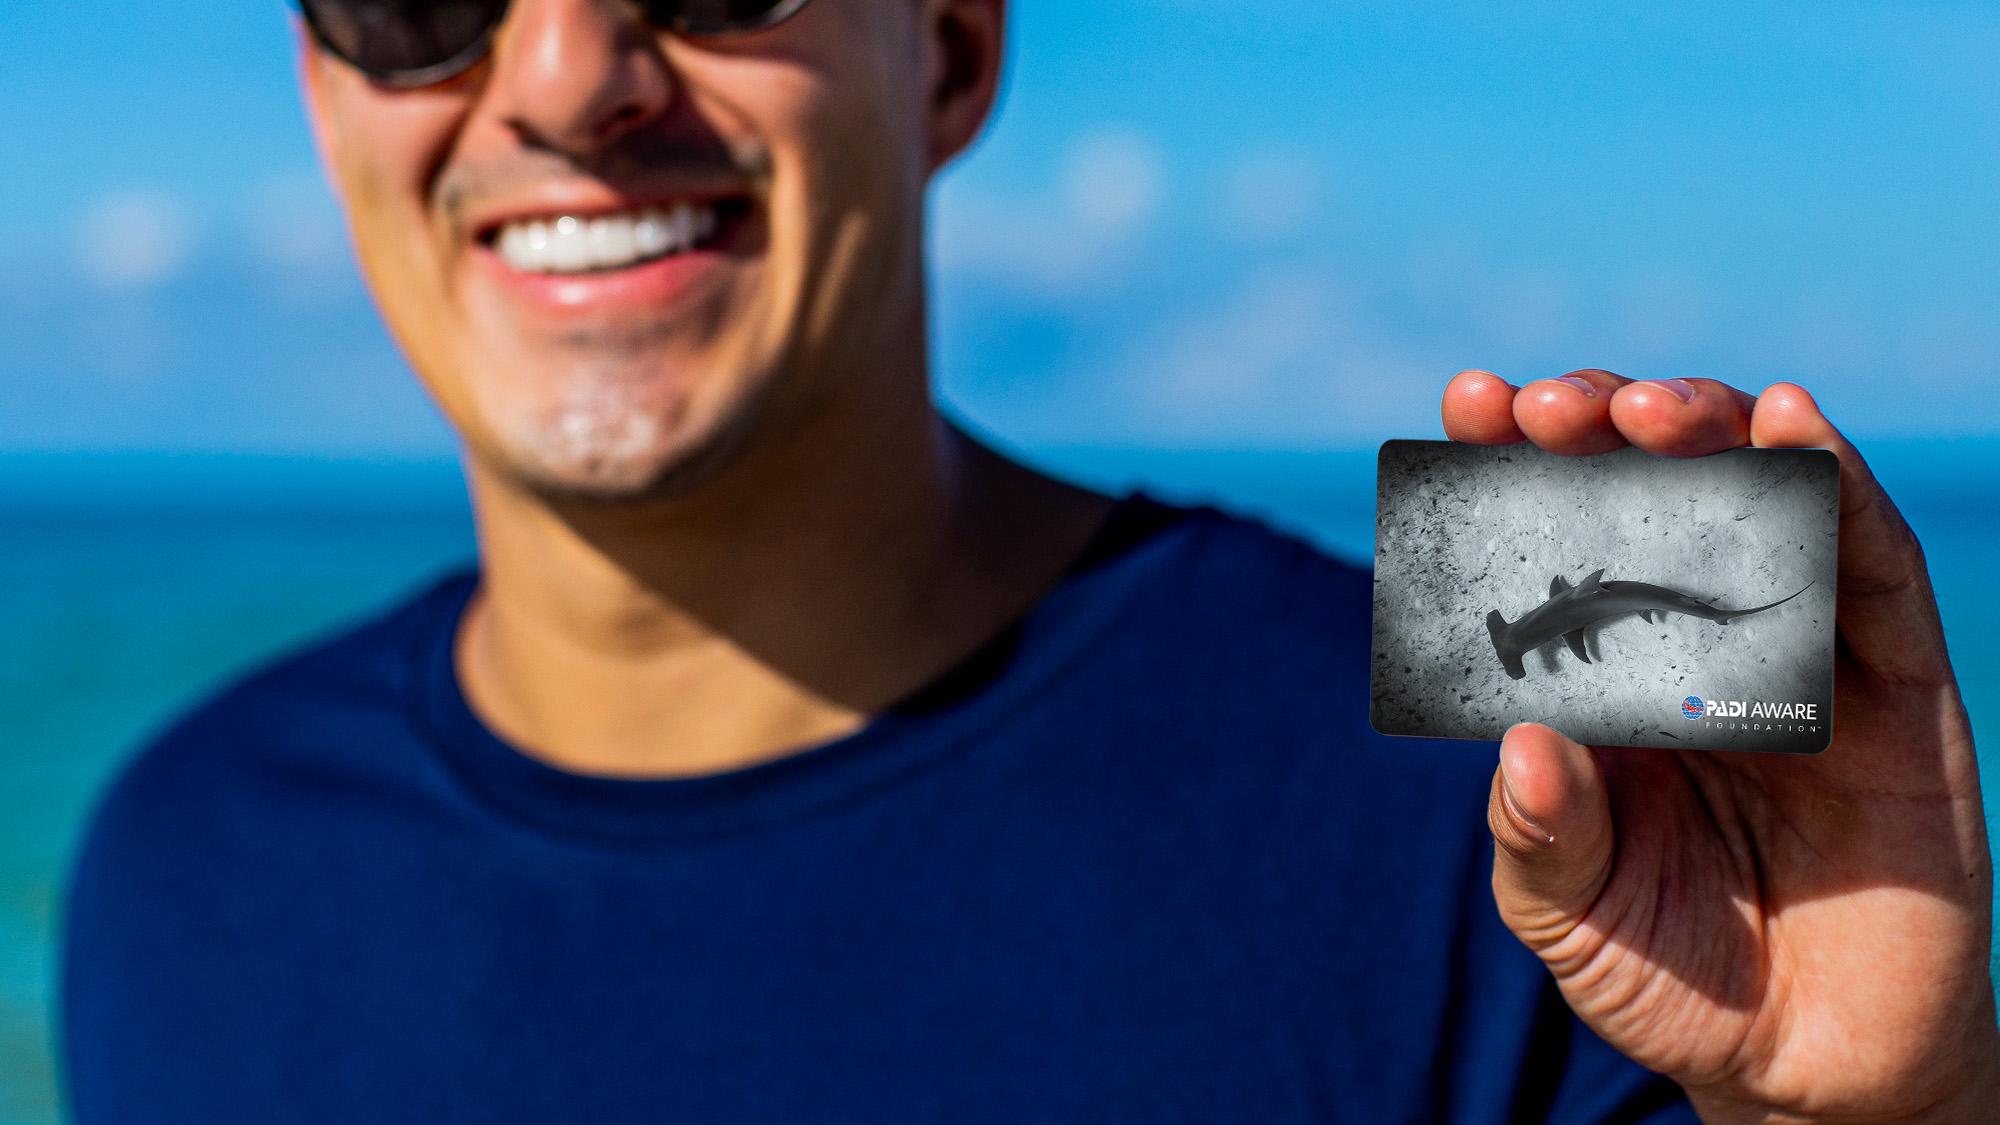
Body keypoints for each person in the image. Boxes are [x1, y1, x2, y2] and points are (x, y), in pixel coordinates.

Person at [59, 0, 1998, 1120]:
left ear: (956, 51)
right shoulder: (185, 866)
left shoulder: (1511, 817)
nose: (566, 72)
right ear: (327, 101)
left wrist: (1883, 1110)